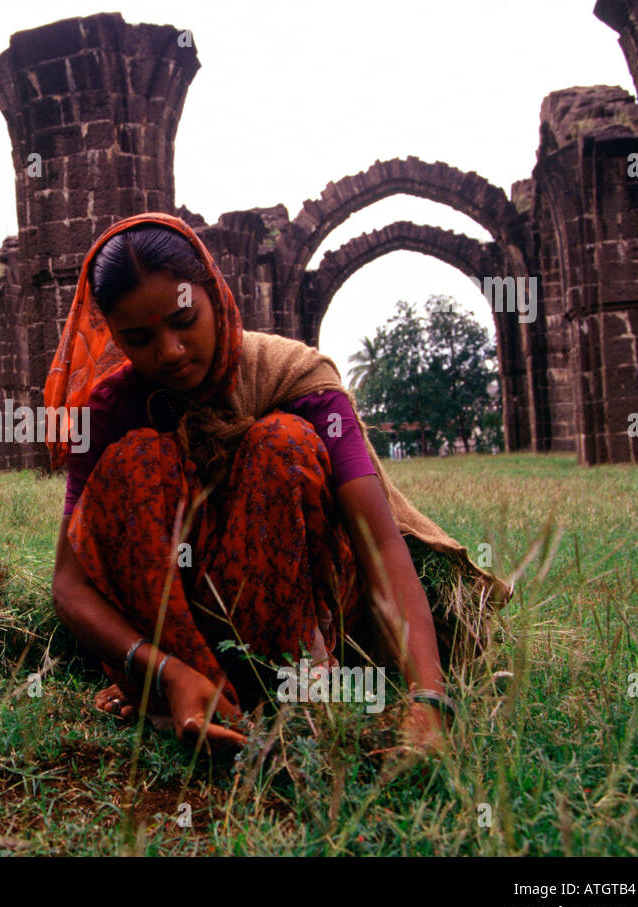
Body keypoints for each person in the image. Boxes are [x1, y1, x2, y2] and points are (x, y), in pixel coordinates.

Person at [48, 213, 510, 756]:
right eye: (139, 337)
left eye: (182, 319)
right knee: (135, 462)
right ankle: (189, 684)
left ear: (215, 294)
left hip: (309, 609)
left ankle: (301, 684)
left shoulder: (295, 378)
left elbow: (380, 542)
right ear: (113, 335)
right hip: (180, 628)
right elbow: (70, 584)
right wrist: (159, 669)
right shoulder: (109, 411)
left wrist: (429, 700)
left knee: (281, 444)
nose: (169, 351)